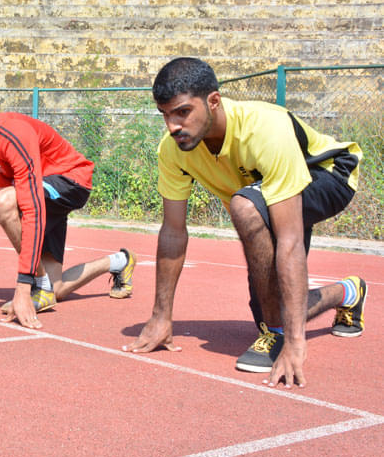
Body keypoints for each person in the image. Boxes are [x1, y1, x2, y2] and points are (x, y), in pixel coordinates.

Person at [123, 57, 367, 389]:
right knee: (270, 309)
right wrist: (161, 316)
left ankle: (277, 333)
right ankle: (349, 292)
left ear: (213, 101)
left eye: (182, 112)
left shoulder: (264, 128)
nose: (173, 126)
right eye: (165, 114)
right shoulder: (172, 150)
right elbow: (173, 231)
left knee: (246, 206)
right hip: (265, 193)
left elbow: (290, 240)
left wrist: (294, 342)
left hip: (327, 173)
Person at [0, 83, 136, 329]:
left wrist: (23, 287)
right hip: (40, 192)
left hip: (71, 180)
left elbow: (31, 207)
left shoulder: (10, 133)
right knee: (56, 288)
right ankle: (120, 261)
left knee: (4, 201)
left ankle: (38, 285)